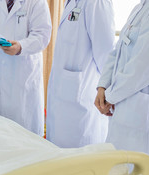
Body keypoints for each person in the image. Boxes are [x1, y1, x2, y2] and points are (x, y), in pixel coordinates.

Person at [94, 0, 149, 175]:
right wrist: (102, 86)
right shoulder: (141, 7)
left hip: (142, 120)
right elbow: (117, 51)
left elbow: (144, 68)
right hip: (122, 113)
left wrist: (110, 96)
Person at [0, 0, 52, 136]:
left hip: (22, 83)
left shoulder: (36, 3)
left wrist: (21, 47)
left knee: (26, 140)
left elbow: (42, 36)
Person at [46, 0, 115, 148]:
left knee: (81, 163)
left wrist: (107, 92)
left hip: (82, 103)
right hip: (64, 101)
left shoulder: (97, 3)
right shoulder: (71, 3)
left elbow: (107, 55)